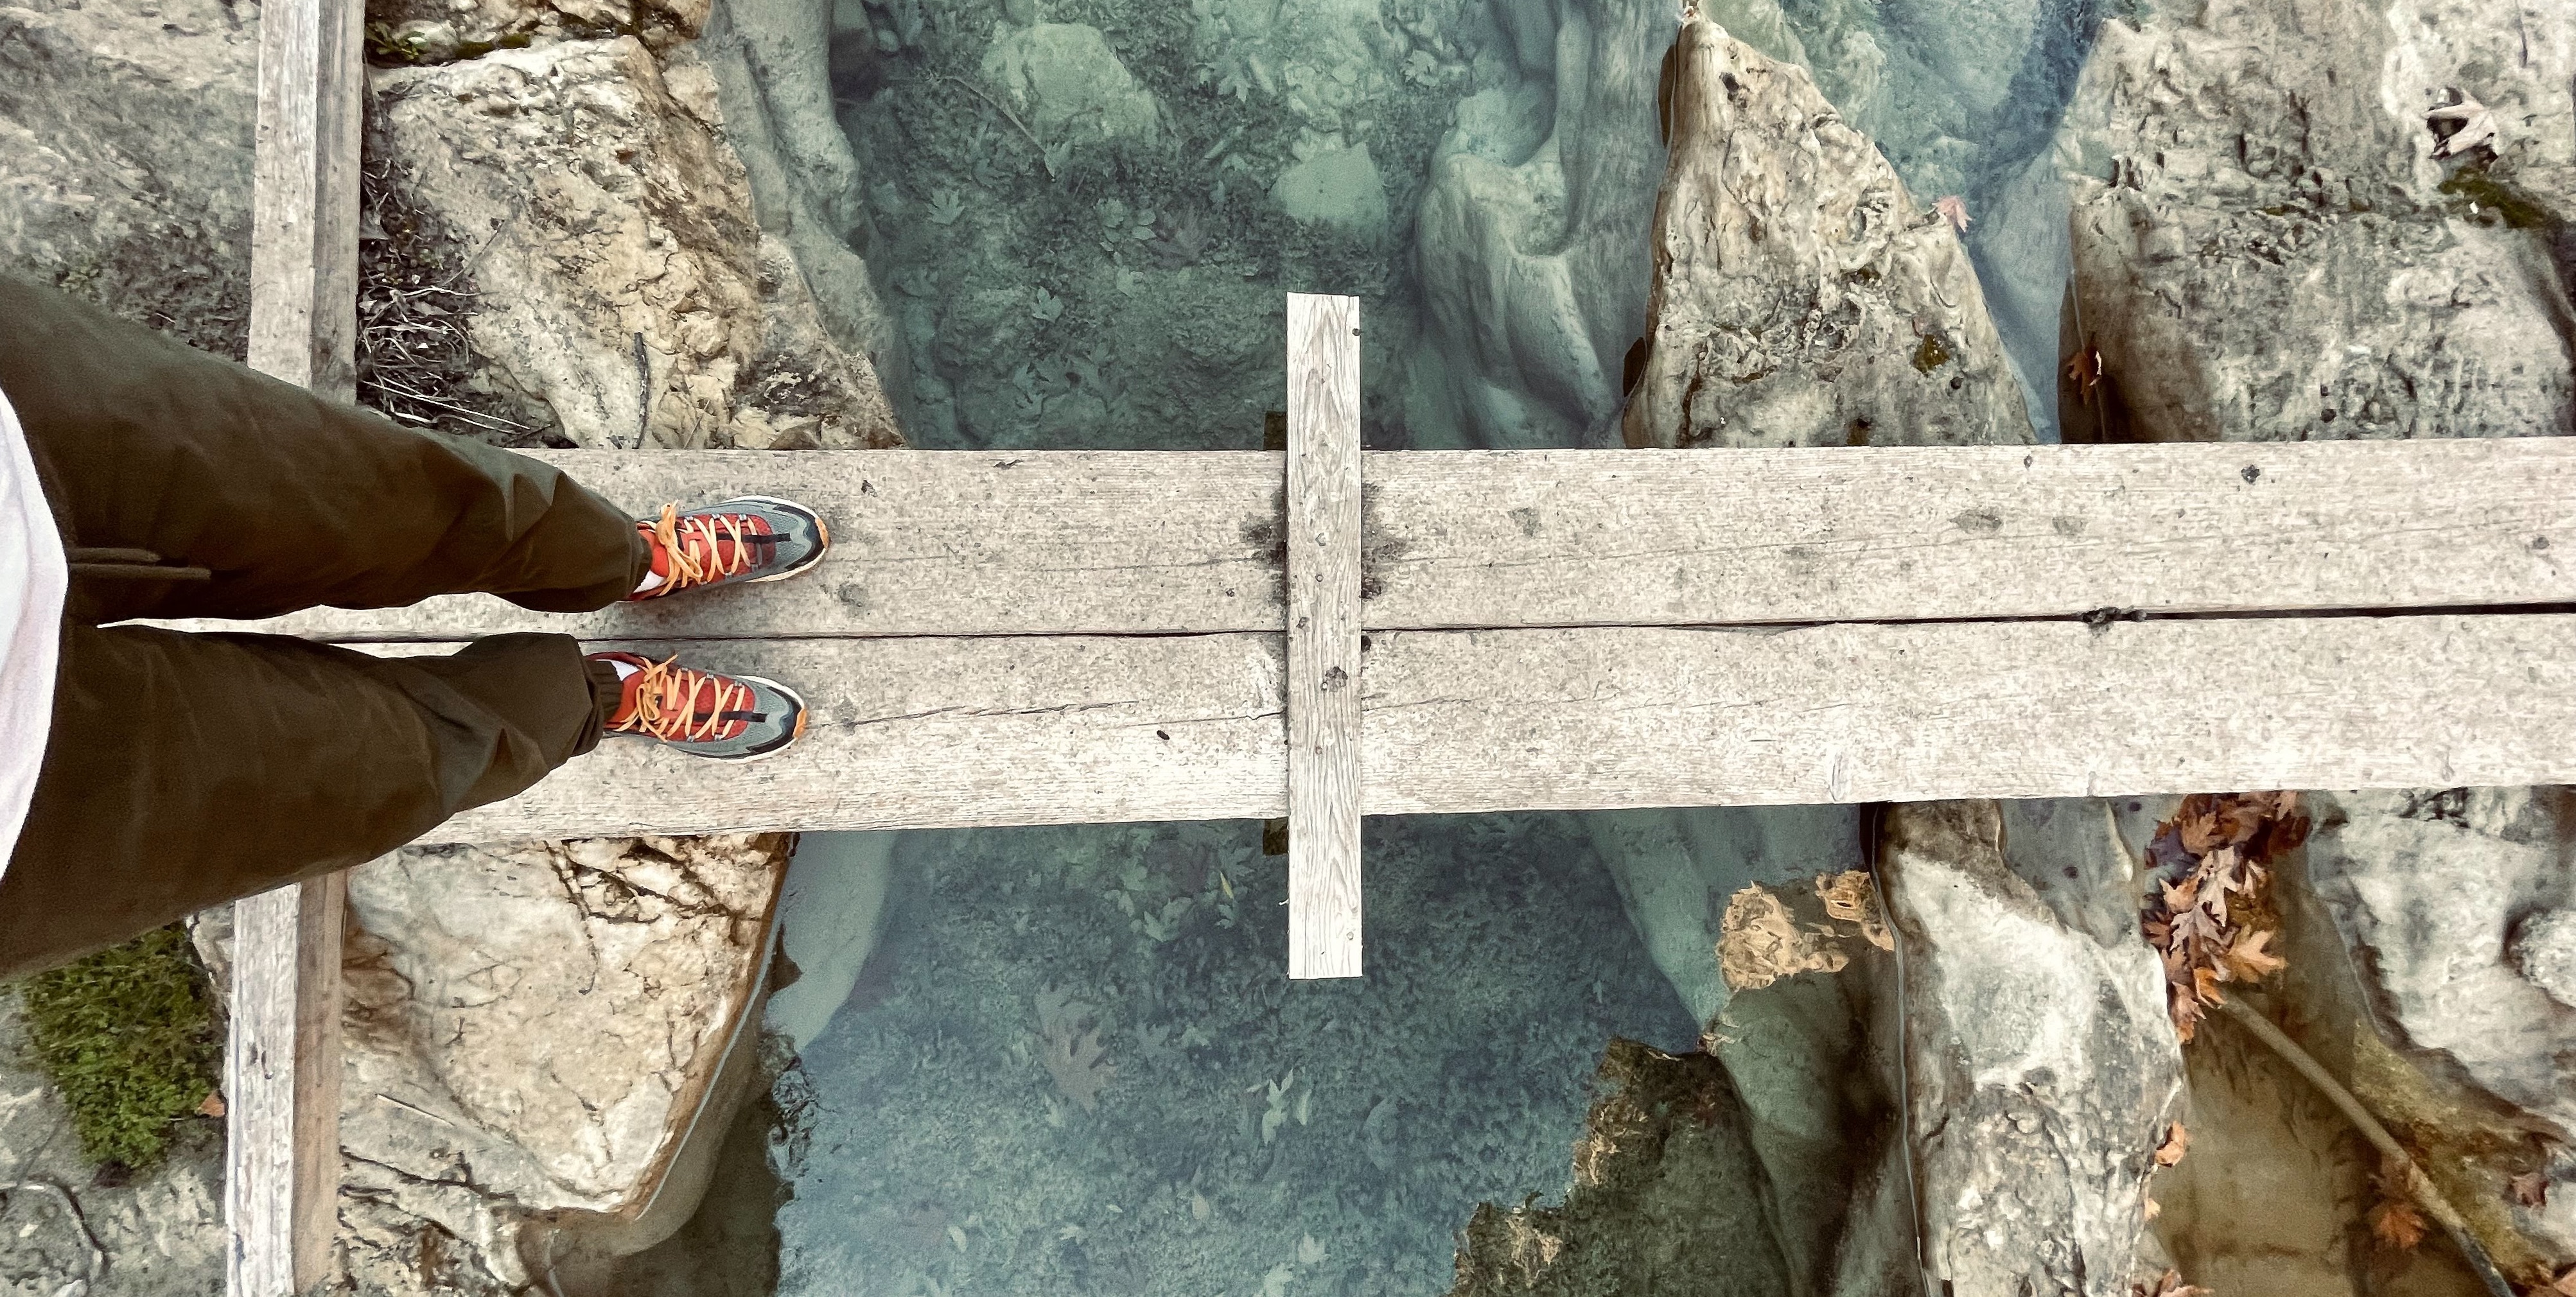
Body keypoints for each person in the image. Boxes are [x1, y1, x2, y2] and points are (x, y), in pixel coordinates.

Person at [0, 275, 828, 980]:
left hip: (24, 426)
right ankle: (602, 697)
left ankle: (624, 560)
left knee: (375, 495)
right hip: (29, 821)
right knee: (387, 761)